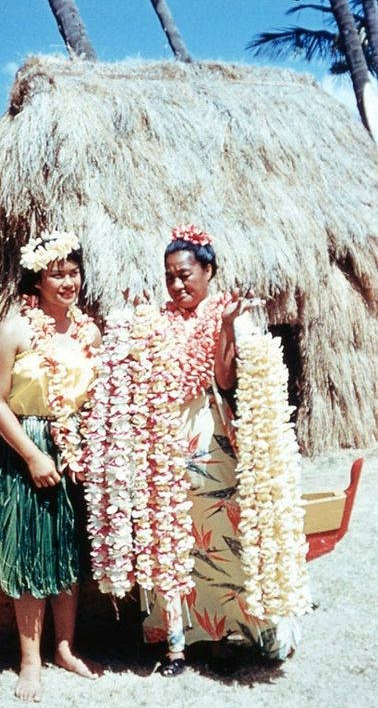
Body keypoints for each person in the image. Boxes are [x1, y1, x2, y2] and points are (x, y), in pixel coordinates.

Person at [142, 224, 299, 676]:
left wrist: (227, 326)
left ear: (208, 270)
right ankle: (176, 643)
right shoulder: (160, 321)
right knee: (175, 540)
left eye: (185, 275)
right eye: (170, 276)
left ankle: (222, 632)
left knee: (220, 539)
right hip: (167, 443)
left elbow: (227, 381)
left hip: (212, 441)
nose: (177, 285)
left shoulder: (232, 314)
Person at [0, 229, 102, 702]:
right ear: (37, 279)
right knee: (30, 549)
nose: (69, 282)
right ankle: (30, 659)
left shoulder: (88, 330)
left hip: (76, 448)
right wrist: (33, 454)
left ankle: (65, 647)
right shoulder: (13, 329)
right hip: (28, 445)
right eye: (58, 274)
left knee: (68, 550)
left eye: (74, 273)